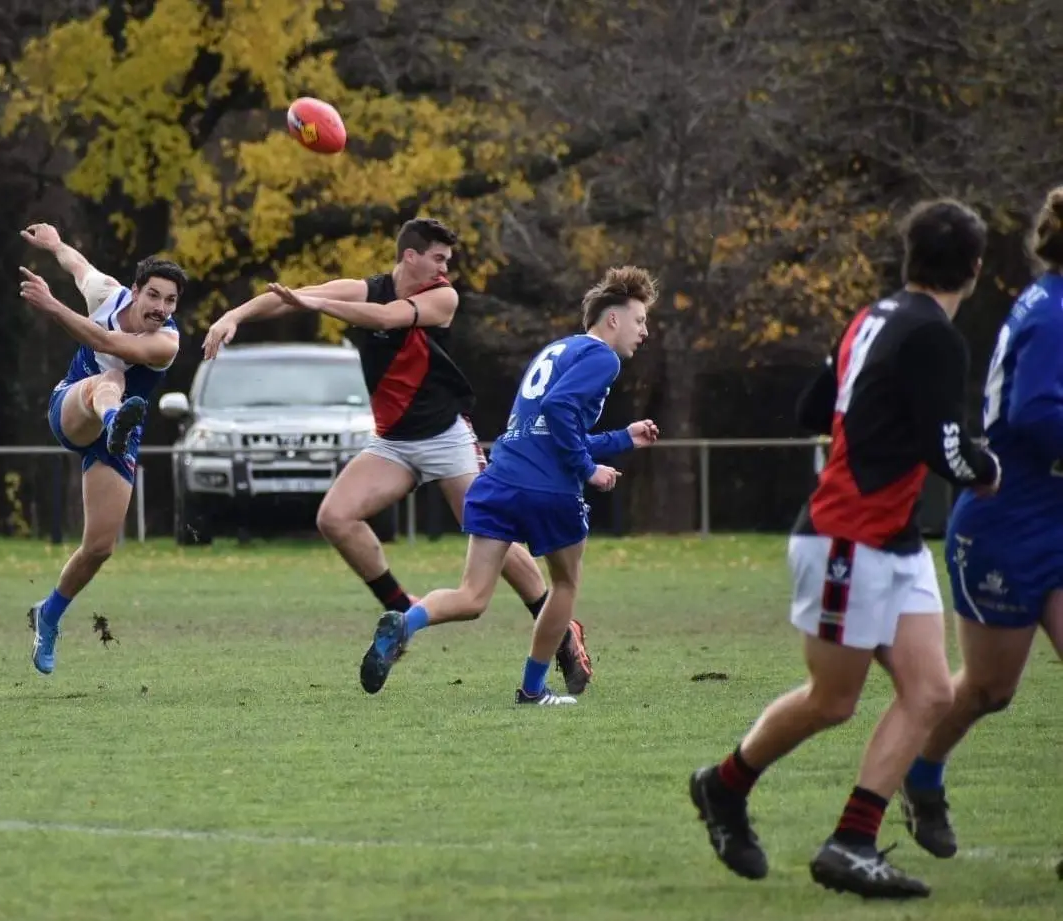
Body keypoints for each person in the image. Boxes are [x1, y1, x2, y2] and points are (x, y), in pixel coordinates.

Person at [688, 198, 1002, 899]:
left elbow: (812, 408)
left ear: (907, 255)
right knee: (833, 700)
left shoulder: (873, 315)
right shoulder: (936, 336)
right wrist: (990, 468)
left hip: (890, 538)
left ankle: (852, 841)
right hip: (846, 539)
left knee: (927, 692)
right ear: (976, 268)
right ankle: (723, 785)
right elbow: (948, 449)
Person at [202, 217, 594, 694]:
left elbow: (388, 318)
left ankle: (559, 632)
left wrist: (318, 303)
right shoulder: (366, 287)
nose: (445, 268)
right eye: (438, 258)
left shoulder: (443, 297)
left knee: (494, 531)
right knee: (335, 518)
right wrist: (234, 316)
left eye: (446, 261)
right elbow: (287, 294)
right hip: (392, 442)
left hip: (447, 437)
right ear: (410, 256)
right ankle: (401, 609)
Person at [355, 267, 658, 702]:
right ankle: (533, 690)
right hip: (547, 490)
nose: (644, 332)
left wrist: (622, 439)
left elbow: (550, 425)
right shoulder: (602, 357)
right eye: (640, 320)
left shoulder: (558, 350)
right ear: (612, 319)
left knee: (472, 596)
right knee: (566, 586)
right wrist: (588, 470)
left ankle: (407, 623)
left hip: (498, 480)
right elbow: (558, 411)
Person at [900, 186, 1063, 858]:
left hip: (1051, 515)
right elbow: (1036, 416)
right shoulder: (1054, 313)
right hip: (1008, 521)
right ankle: (921, 776)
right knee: (990, 688)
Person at [17, 222, 186, 675]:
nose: (161, 308)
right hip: (72, 406)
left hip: (120, 434)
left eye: (170, 301)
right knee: (109, 381)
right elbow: (78, 267)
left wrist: (51, 306)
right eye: (154, 296)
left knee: (99, 547)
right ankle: (113, 419)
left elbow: (106, 341)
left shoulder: (166, 342)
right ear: (135, 291)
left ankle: (48, 614)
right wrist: (54, 244)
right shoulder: (107, 294)